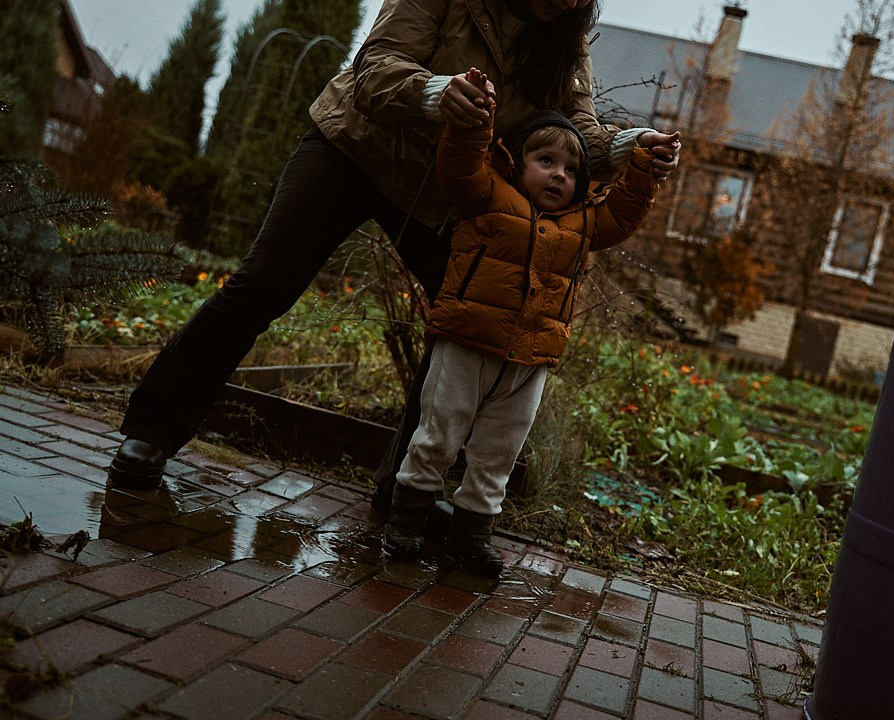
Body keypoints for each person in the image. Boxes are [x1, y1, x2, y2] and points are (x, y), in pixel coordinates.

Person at [106, 0, 682, 505]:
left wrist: (633, 146)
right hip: (354, 152)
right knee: (265, 284)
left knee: (462, 328)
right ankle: (152, 433)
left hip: (443, 193)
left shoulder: (565, 39)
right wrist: (438, 91)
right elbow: (374, 72)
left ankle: (407, 490)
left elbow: (574, 131)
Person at [383, 67, 678, 576]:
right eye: (545, 161)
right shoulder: (487, 196)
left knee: (499, 451)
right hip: (466, 344)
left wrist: (643, 170)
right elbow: (458, 163)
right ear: (515, 163)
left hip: (529, 359)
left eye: (570, 168)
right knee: (439, 431)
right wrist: (475, 124)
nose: (559, 174)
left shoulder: (582, 225)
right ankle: (406, 520)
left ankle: (471, 531)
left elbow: (624, 213)